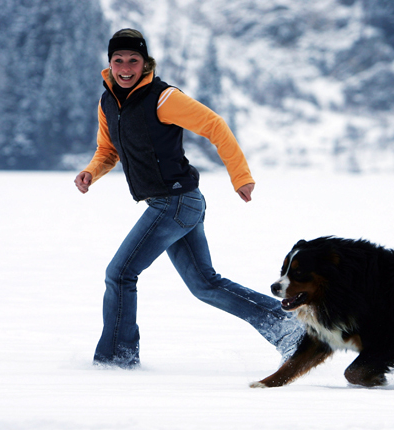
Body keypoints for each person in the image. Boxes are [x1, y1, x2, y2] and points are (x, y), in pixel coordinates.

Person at [74, 29, 303, 368]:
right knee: (205, 284)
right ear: (109, 63)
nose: (125, 68)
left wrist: (240, 176)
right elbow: (108, 149)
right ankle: (286, 327)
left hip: (176, 202)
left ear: (145, 62)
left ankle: (116, 360)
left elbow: (215, 125)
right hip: (174, 204)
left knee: (120, 274)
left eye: (133, 60)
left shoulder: (163, 98)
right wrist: (92, 171)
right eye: (118, 60)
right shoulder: (108, 101)